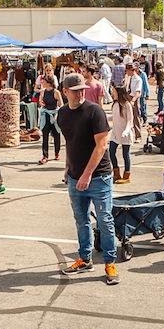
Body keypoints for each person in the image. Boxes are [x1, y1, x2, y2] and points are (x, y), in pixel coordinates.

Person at [57, 73, 119, 285]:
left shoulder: (94, 111)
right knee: (81, 219)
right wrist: (68, 168)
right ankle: (85, 259)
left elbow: (102, 145)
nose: (80, 93)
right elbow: (70, 143)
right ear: (65, 92)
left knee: (104, 220)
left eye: (82, 89)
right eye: (75, 91)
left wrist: (87, 174)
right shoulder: (62, 114)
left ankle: (110, 263)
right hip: (75, 177)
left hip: (99, 177)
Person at [109, 84, 135, 185]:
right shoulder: (115, 104)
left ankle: (126, 175)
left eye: (114, 92)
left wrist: (126, 131)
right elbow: (114, 117)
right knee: (111, 152)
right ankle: (116, 172)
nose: (112, 94)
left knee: (125, 154)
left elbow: (130, 120)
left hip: (125, 134)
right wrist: (104, 117)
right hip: (115, 133)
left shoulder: (127, 105)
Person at [36, 73, 62, 164]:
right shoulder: (43, 91)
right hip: (46, 114)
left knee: (56, 135)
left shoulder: (56, 92)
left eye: (44, 81)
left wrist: (57, 114)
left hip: (54, 114)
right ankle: (45, 155)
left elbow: (61, 105)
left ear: (49, 82)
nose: (42, 82)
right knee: (45, 135)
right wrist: (41, 103)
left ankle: (57, 152)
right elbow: (40, 100)